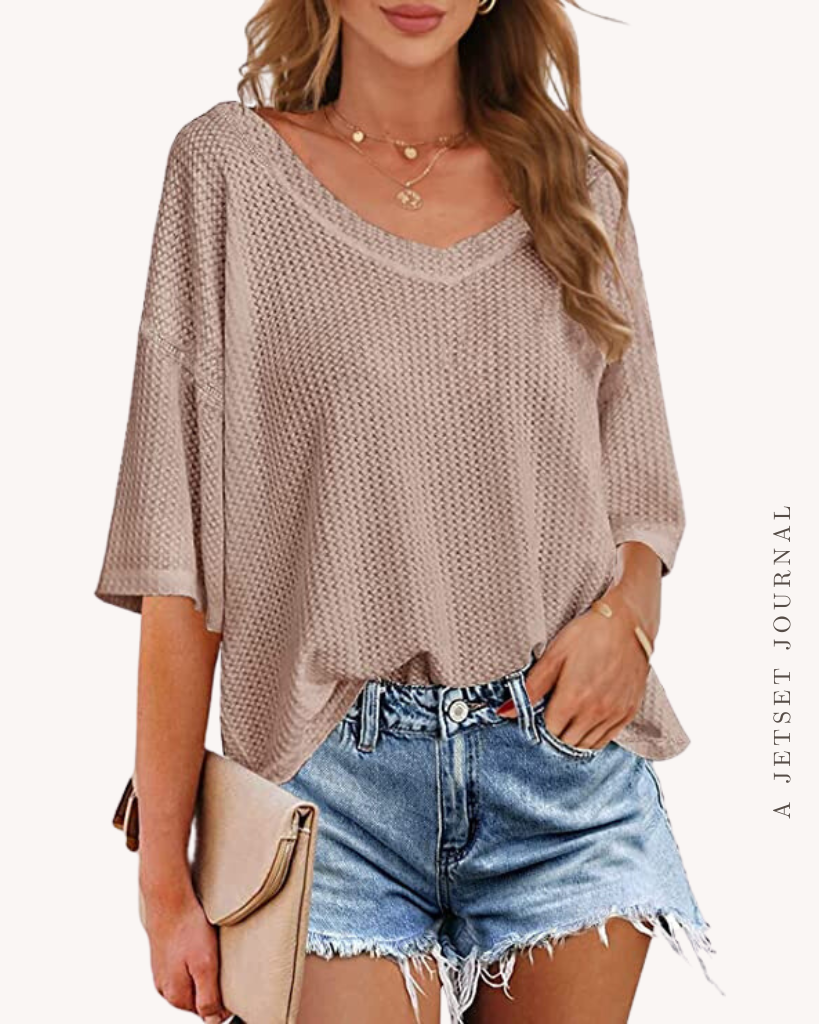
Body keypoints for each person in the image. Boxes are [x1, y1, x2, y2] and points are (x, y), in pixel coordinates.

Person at [94, 2, 724, 1022]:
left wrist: (627, 620)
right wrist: (161, 873)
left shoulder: (578, 188)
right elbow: (178, 549)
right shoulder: (227, 174)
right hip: (322, 784)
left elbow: (640, 495)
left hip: (562, 771)